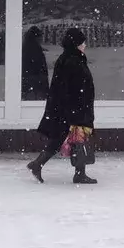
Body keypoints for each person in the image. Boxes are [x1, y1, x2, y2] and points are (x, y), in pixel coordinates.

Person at [27, 27, 97, 185]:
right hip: (74, 108)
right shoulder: (72, 60)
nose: (84, 45)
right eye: (82, 42)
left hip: (70, 107)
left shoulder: (70, 58)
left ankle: (38, 164)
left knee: (60, 138)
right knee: (78, 139)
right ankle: (78, 173)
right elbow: (70, 87)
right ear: (76, 44)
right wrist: (76, 108)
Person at [21, 26, 49, 101]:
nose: (41, 39)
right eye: (40, 36)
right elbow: (39, 68)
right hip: (34, 84)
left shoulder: (27, 48)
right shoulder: (35, 50)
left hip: (29, 83)